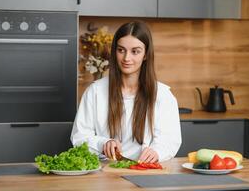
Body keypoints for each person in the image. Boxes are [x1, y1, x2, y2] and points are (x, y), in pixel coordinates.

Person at [71, 21, 181, 163]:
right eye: (121, 50)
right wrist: (103, 143)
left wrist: (157, 152)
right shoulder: (95, 91)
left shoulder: (163, 95)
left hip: (145, 172)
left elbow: (170, 140)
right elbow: (79, 136)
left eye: (135, 51)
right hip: (104, 174)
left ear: (146, 54)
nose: (126, 58)